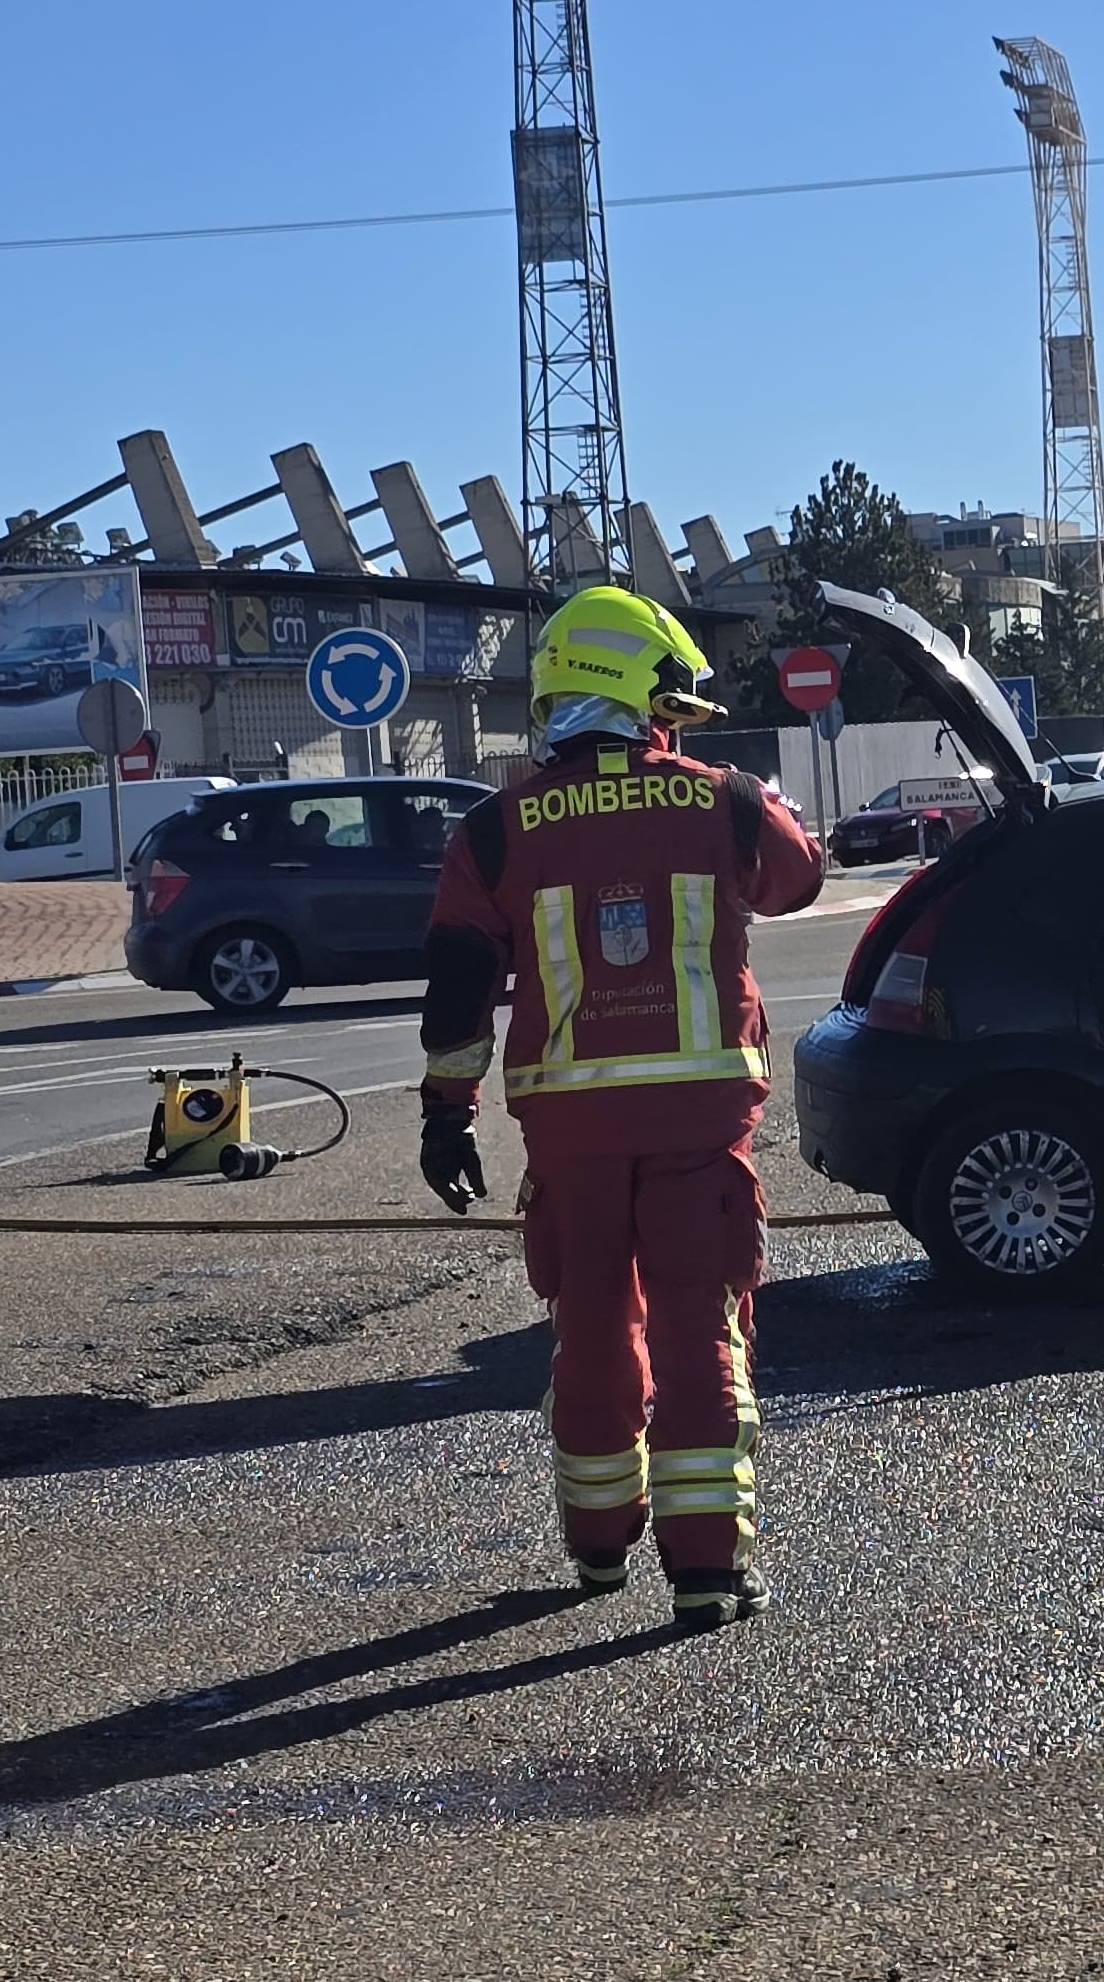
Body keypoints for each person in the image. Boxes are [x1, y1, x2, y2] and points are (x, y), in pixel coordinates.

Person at [414, 586, 825, 1630]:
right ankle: (708, 1571)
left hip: (571, 1129)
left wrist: (445, 1110)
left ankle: (598, 1551)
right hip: (698, 1122)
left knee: (591, 1328)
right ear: (642, 688)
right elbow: (799, 880)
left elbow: (460, 978)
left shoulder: (494, 828)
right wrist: (737, 791)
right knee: (702, 1329)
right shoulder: (721, 798)